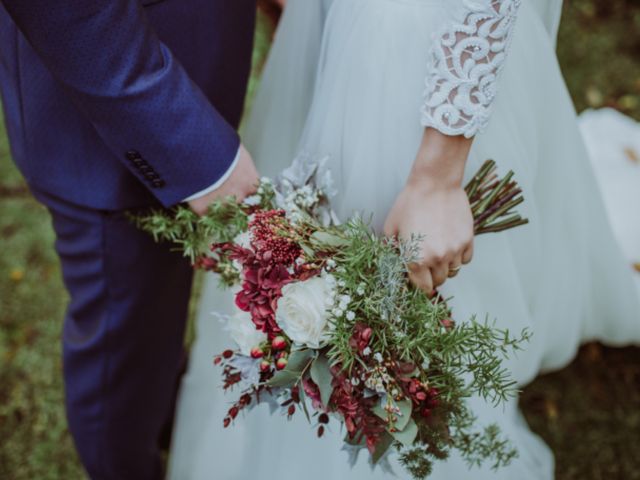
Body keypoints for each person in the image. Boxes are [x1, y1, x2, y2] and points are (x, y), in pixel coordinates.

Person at [169, 0, 640, 478]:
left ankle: (424, 429)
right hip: (340, 21)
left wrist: (437, 174)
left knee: (419, 289)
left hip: (423, 35)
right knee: (317, 240)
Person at [0, 1, 260, 478]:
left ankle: (164, 407)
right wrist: (197, 157)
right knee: (120, 372)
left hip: (192, 71)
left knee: (151, 333)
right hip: (113, 122)